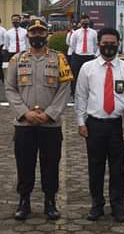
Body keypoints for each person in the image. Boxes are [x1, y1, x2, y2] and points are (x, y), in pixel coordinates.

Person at [5, 18, 73, 221]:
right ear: (28, 35)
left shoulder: (59, 59)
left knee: (50, 163)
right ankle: (24, 201)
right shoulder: (17, 59)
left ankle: (50, 201)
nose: (37, 36)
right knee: (24, 163)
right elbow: (10, 88)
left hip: (50, 124)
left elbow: (64, 89)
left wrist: (49, 114)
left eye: (40, 32)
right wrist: (25, 113)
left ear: (47, 35)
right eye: (33, 32)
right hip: (24, 123)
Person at [75, 28, 124, 222]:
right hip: (94, 124)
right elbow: (81, 97)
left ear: (118, 44)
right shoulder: (87, 68)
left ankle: (117, 206)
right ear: (99, 44)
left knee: (117, 168)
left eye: (113, 43)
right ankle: (96, 205)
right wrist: (81, 122)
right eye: (105, 43)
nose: (109, 47)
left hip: (118, 125)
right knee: (95, 167)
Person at [69, 15, 98, 93]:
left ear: (89, 21)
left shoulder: (94, 32)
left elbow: (95, 45)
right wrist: (78, 52)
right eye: (83, 20)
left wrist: (92, 53)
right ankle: (74, 93)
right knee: (76, 76)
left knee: (90, 76)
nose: (84, 22)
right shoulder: (76, 33)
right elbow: (72, 44)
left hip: (90, 57)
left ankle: (90, 93)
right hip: (78, 57)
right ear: (80, 22)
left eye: (86, 20)